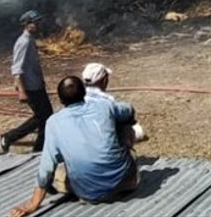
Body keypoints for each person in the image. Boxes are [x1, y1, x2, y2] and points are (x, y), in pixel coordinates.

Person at [8, 76, 140, 217]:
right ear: (84, 93)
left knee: (60, 174)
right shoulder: (104, 106)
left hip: (87, 193)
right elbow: (129, 110)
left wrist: (33, 203)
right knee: (124, 124)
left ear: (60, 100)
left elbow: (46, 167)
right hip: (126, 182)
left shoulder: (54, 122)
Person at [1, 10, 53, 153]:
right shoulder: (23, 42)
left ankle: (39, 148)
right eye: (35, 23)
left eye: (38, 22)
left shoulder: (30, 40)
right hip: (31, 87)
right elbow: (17, 69)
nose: (38, 25)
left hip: (36, 85)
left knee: (46, 118)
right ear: (27, 24)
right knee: (43, 117)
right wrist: (22, 91)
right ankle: (9, 137)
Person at [82, 62, 147, 145]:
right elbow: (128, 111)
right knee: (132, 126)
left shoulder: (77, 98)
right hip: (101, 139)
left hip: (85, 137)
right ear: (104, 80)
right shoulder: (107, 101)